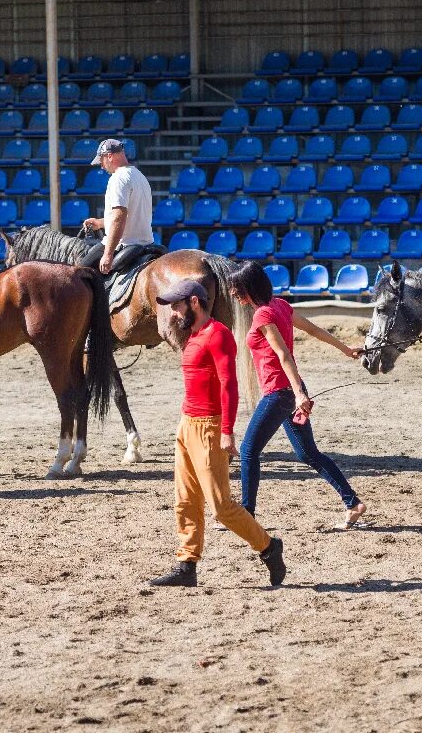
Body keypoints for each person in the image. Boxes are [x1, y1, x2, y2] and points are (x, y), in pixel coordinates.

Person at [149, 279, 286, 589]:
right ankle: (187, 565)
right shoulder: (193, 335)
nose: (173, 311)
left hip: (210, 426)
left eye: (177, 304)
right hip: (187, 424)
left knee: (222, 507)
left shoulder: (218, 335)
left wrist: (226, 432)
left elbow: (230, 385)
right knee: (185, 500)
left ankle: (268, 547)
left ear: (194, 302)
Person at [227, 262, 367, 530]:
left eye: (236, 288)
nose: (233, 294)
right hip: (289, 391)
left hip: (280, 393)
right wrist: (345, 349)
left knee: (248, 451)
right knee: (307, 454)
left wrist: (299, 393)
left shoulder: (263, 315)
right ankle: (352, 502)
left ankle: (246, 514)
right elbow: (313, 329)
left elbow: (283, 355)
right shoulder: (280, 305)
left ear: (248, 287)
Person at [80, 139, 154, 275]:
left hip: (124, 245)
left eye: (101, 161)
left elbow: (119, 217)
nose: (101, 166)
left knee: (78, 274)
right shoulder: (139, 176)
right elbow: (133, 215)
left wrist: (108, 254)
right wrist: (100, 223)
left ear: (109, 156)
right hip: (147, 244)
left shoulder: (118, 178)